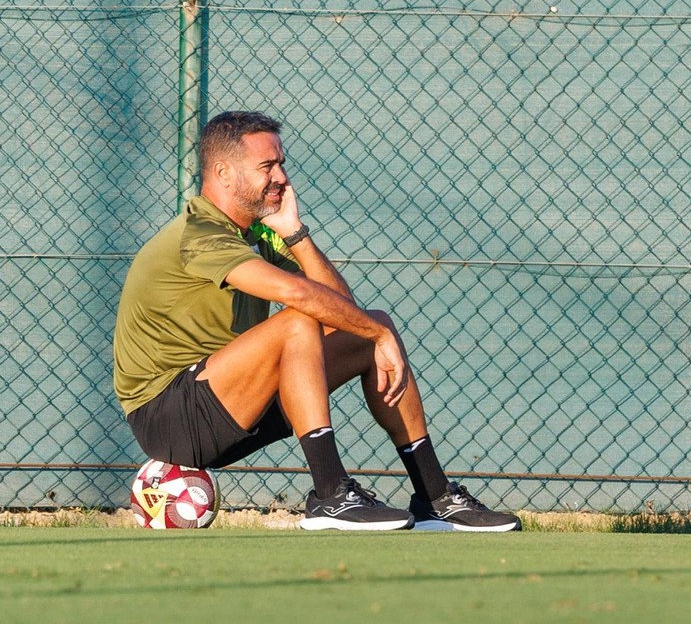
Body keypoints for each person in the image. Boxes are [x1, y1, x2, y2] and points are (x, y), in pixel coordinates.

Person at [113, 110, 520, 532]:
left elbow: (343, 309)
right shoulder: (200, 234)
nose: (281, 177)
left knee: (367, 330)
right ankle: (330, 496)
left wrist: (294, 233)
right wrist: (379, 333)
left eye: (281, 163)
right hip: (168, 417)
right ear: (223, 173)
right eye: (267, 166)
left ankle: (434, 497)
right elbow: (296, 295)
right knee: (302, 322)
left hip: (230, 400)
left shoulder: (258, 234)